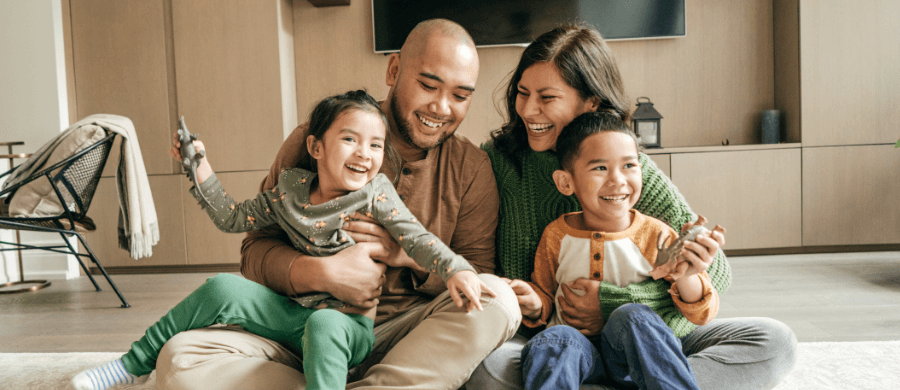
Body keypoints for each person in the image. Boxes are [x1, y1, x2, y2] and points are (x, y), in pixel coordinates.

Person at [153, 19, 521, 390]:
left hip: (405, 340)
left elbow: (476, 276)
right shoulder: (318, 139)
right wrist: (322, 274)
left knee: (499, 301)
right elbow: (254, 251)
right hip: (301, 330)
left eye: (460, 96)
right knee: (180, 359)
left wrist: (405, 255)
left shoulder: (472, 168)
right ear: (393, 70)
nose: (442, 107)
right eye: (428, 85)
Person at [69, 90, 496, 390]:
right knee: (221, 287)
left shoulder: (376, 194)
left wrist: (454, 268)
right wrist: (199, 169)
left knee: (326, 323)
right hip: (291, 317)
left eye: (376, 145)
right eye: (350, 139)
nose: (365, 153)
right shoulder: (288, 193)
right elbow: (234, 218)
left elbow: (418, 238)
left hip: (348, 327)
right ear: (315, 146)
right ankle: (129, 365)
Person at [466, 23, 797, 390]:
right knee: (488, 369)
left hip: (644, 336)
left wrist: (612, 304)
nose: (528, 109)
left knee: (774, 342)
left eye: (547, 98)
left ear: (590, 101)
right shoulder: (497, 162)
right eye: (523, 93)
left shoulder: (628, 171)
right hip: (555, 343)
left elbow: (714, 274)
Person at [516, 111, 726, 389]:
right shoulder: (556, 234)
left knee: (633, 316)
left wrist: (687, 276)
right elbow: (545, 294)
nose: (618, 180)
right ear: (566, 182)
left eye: (629, 165)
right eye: (600, 168)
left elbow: (701, 314)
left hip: (632, 357)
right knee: (551, 341)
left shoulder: (657, 235)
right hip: (576, 353)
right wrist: (533, 304)